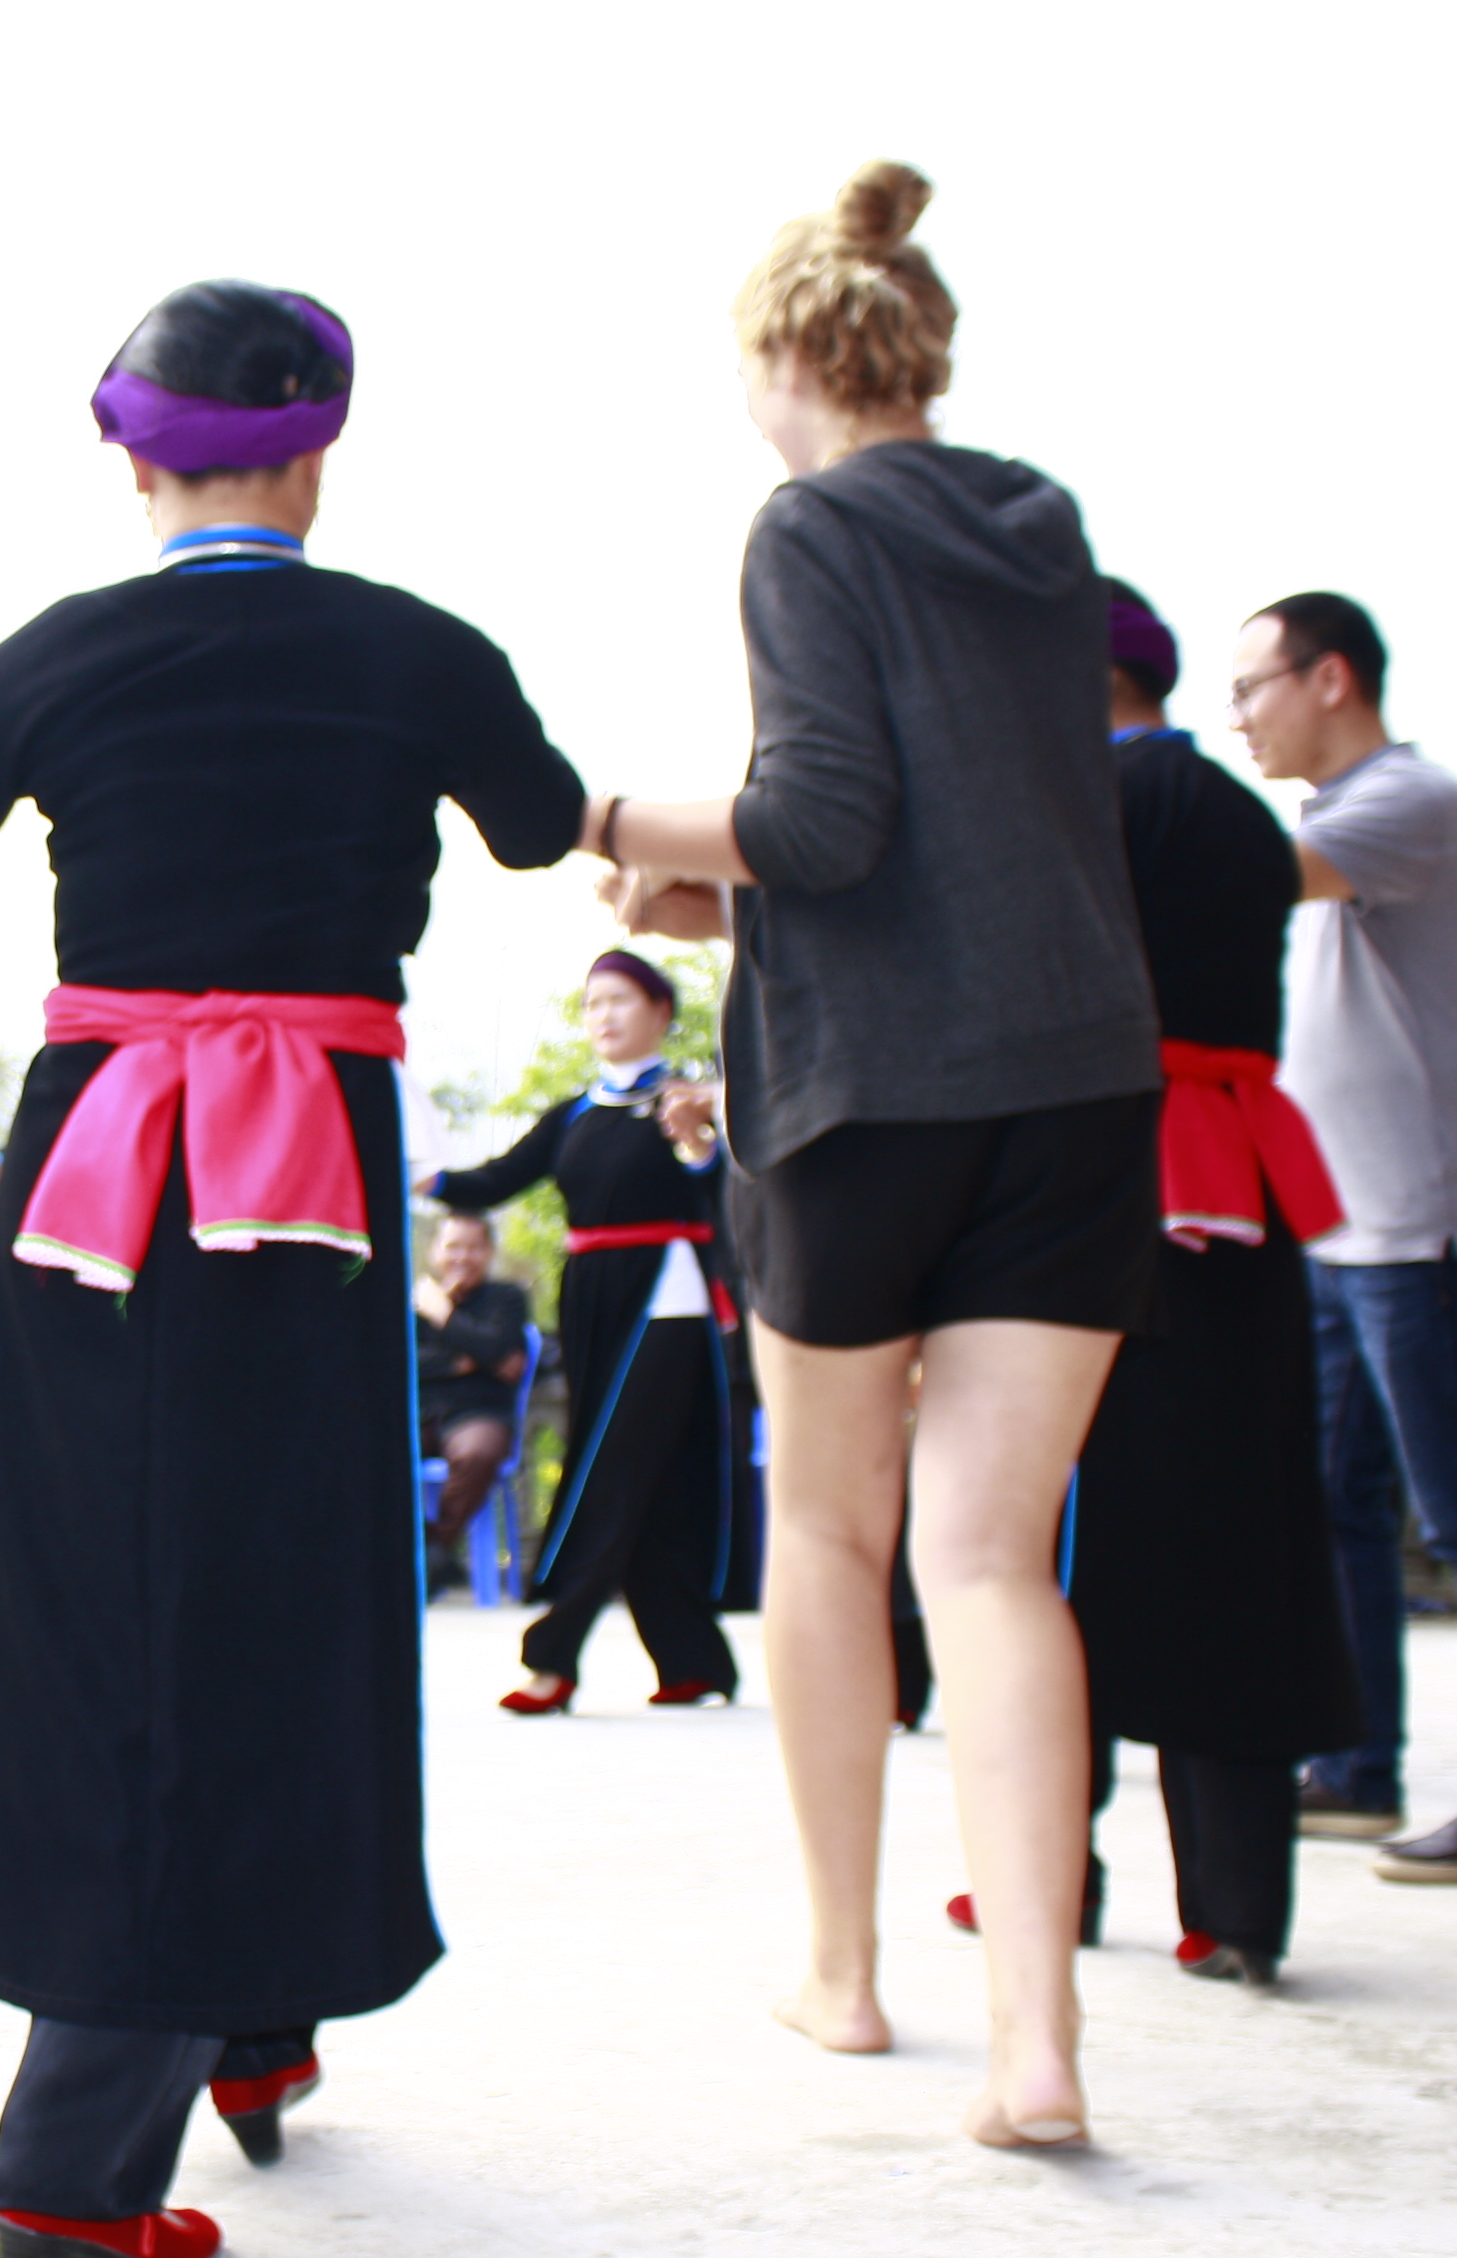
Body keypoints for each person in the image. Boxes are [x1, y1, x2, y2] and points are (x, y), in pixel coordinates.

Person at [0, 278, 594, 2258]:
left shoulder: (63, 653)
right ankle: (118, 2119)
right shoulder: (416, 650)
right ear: (319, 446)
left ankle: (218, 2028)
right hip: (312, 1170)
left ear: (131, 455)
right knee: (295, 1576)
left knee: (111, 1598)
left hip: (101, 1174)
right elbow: (543, 824)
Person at [596, 163, 1159, 2149]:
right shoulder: (1042, 526)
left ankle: (842, 1975)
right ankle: (1037, 2044)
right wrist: (718, 905)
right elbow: (959, 837)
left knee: (831, 1536)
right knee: (993, 1562)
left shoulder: (809, 524)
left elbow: (821, 820)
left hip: (864, 1106)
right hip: (1074, 1084)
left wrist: (607, 823)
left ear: (786, 354)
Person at [948, 583, 1361, 1984]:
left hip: (1106, 1180)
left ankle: (1044, 1877)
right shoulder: (1242, 817)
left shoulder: (1082, 808)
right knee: (1238, 1531)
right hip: (1241, 1181)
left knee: (1051, 1536)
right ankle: (1237, 1906)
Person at [1234, 589, 1457, 1885]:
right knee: (1340, 1506)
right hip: (1343, 1230)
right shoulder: (1339, 819)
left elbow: (1245, 872)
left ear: (1331, 678)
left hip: (1427, 1226)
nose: (1242, 717)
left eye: (1253, 687)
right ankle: (1357, 1765)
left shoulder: (1406, 804)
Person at [426, 952, 742, 1712]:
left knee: (607, 1466)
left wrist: (699, 1141)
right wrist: (412, 1170)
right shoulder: (574, 1112)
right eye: (593, 1003)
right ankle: (692, 1660)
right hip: (592, 1298)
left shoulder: (685, 1098)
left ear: (661, 1012)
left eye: (620, 1000)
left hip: (666, 1297)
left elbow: (718, 1184)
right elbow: (492, 1180)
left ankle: (553, 1655)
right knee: (649, 1472)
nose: (603, 1016)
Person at [409, 1210, 531, 1585]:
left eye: (474, 1248)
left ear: (489, 1252)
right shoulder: (413, 1302)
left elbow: (498, 1348)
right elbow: (396, 1361)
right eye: (452, 1247)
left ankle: (435, 1551)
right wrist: (460, 1360)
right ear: (434, 1251)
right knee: (366, 1450)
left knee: (478, 1453)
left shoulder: (507, 1298)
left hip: (479, 1413)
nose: (462, 1257)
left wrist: (444, 1315)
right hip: (420, 1413)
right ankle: (424, 1551)